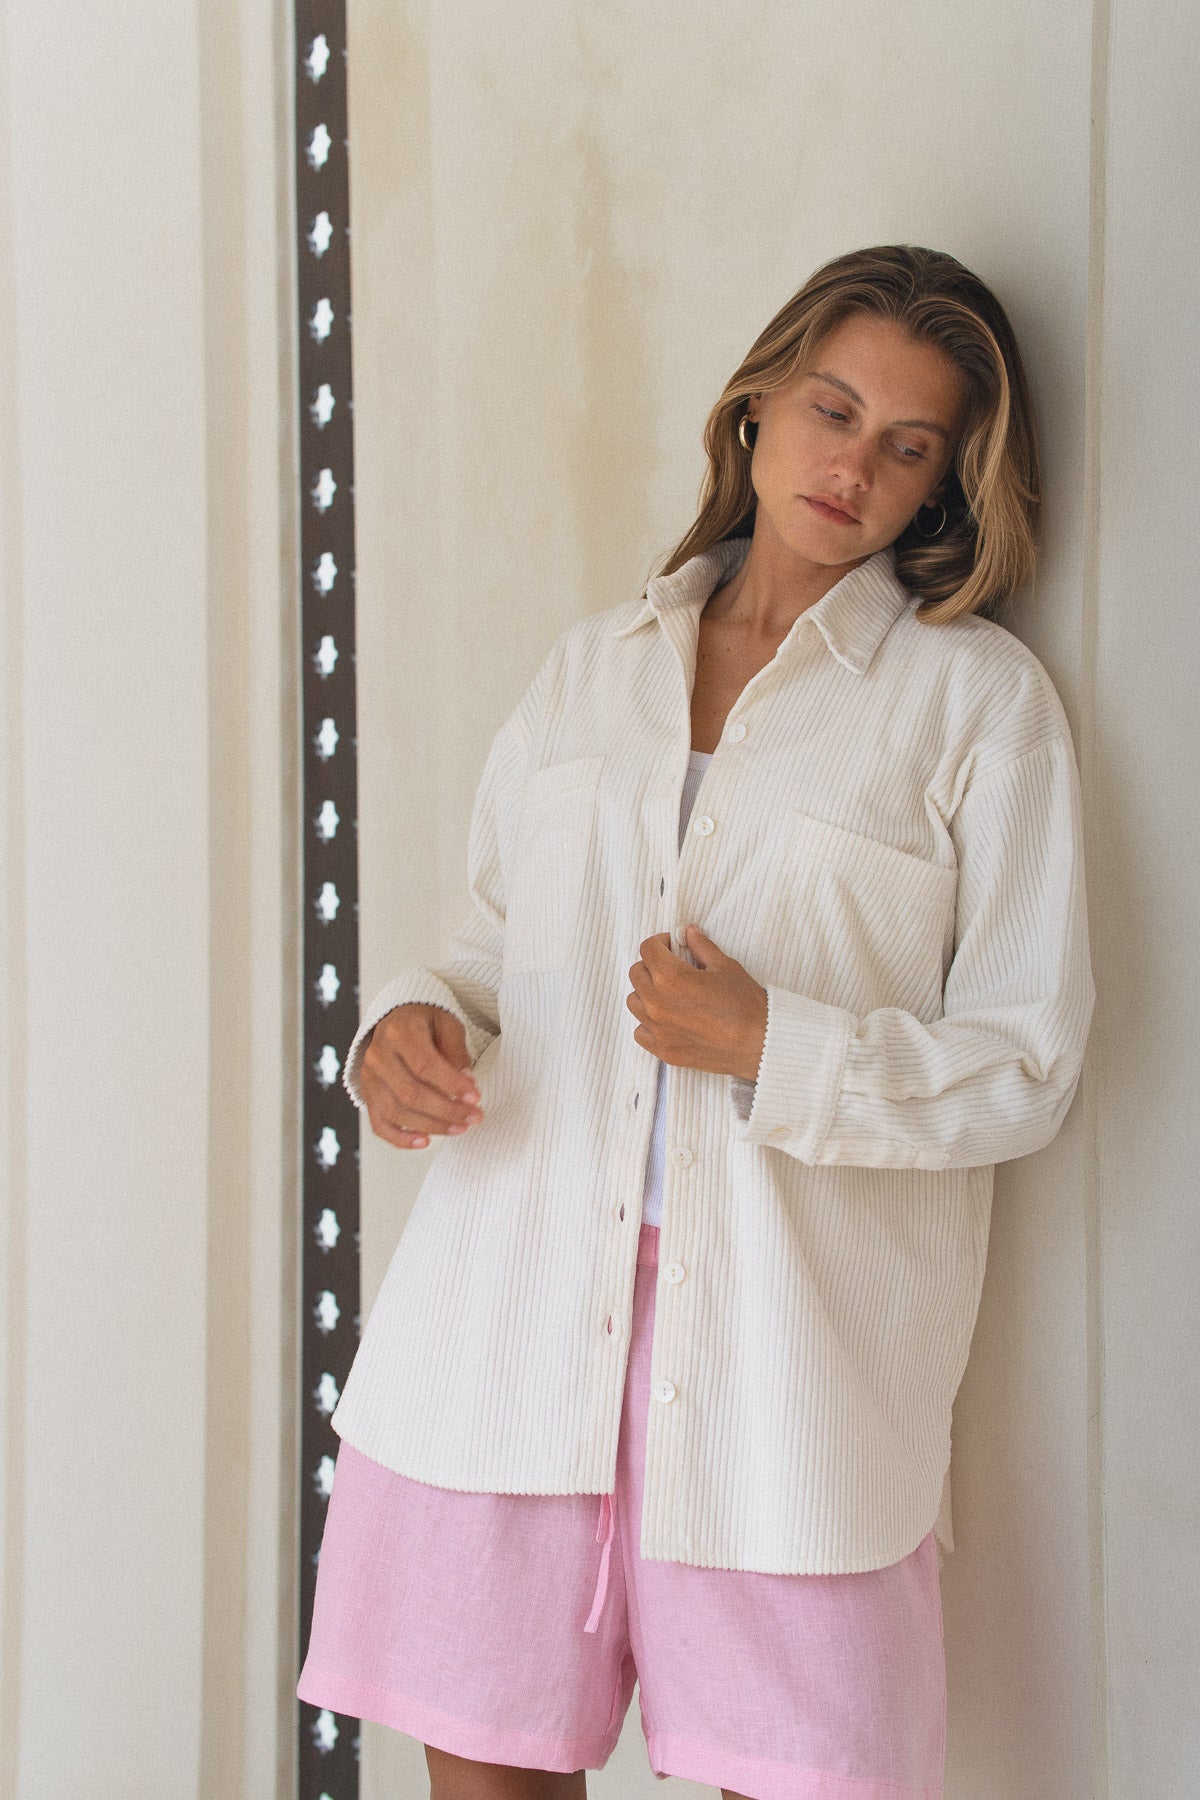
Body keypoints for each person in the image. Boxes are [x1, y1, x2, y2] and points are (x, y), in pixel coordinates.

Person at [297, 244, 1095, 1800]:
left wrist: (773, 1047)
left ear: (947, 482)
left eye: (908, 445)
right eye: (833, 410)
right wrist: (403, 1027)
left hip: (789, 1381)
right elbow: (483, 952)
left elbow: (1028, 1067)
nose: (853, 466)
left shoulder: (978, 707)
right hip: (505, 1336)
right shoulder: (587, 671)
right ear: (757, 405)